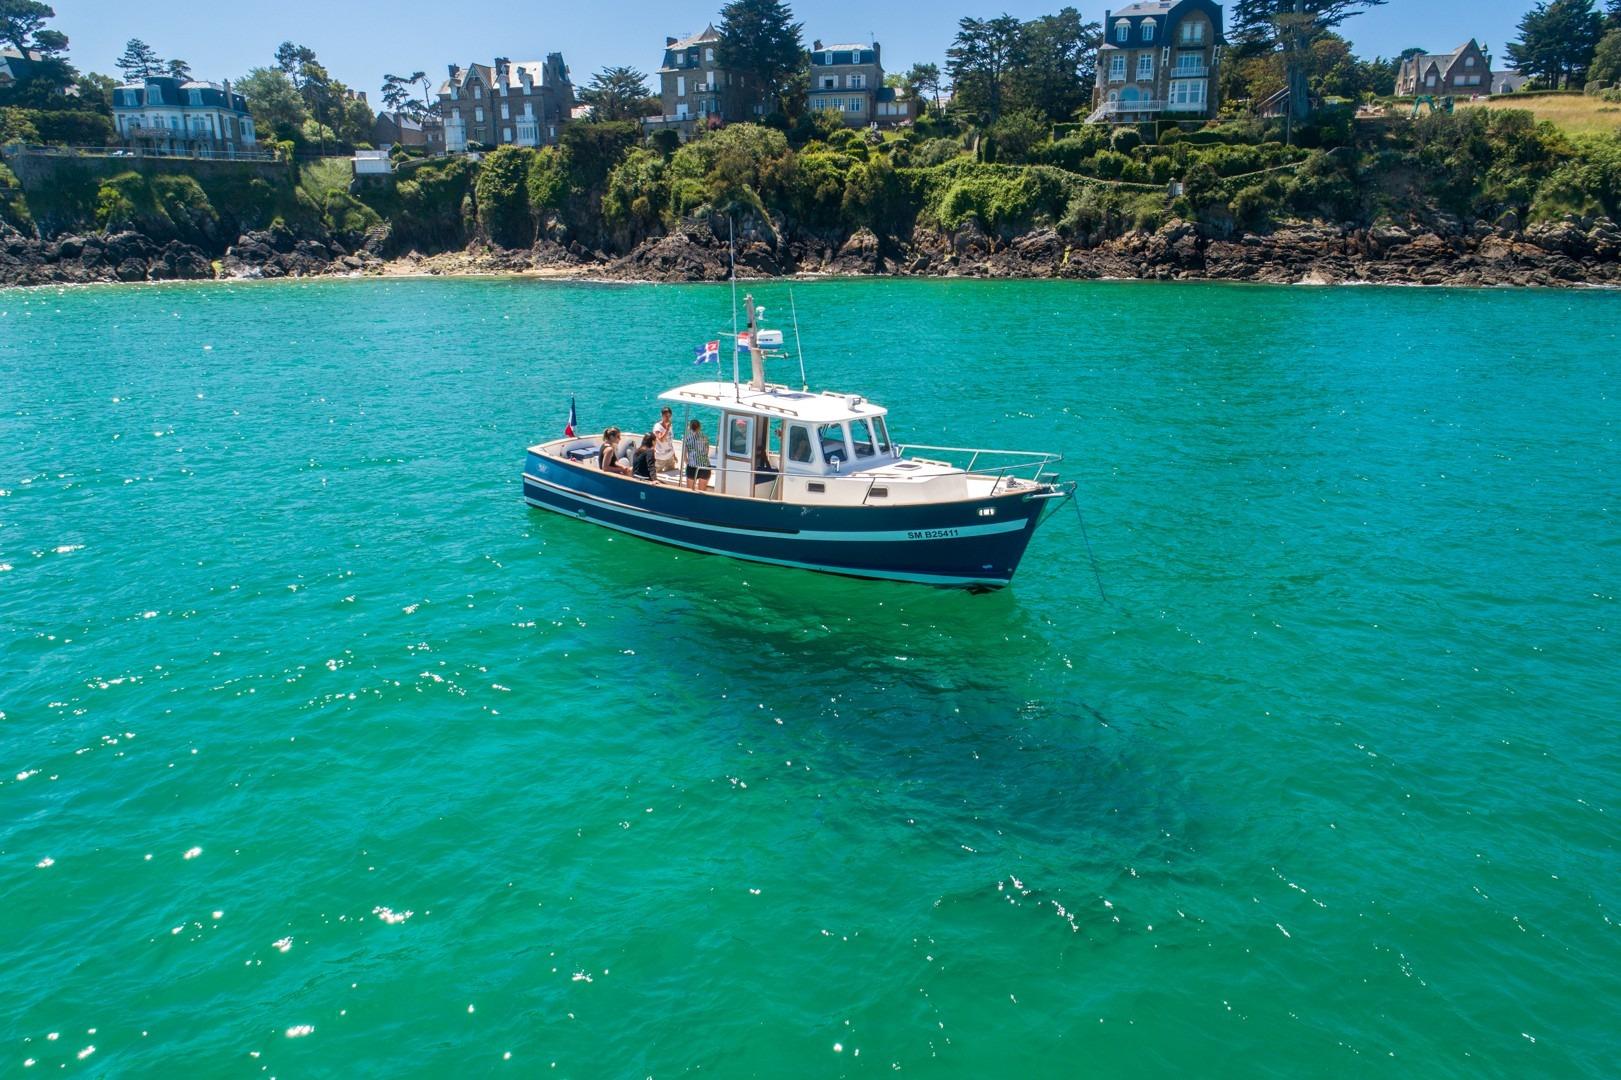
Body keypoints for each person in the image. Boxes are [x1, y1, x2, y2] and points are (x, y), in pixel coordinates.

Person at [683, 418, 712, 492]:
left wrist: (688, 463)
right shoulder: (705, 437)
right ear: (699, 427)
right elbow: (707, 452)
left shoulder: (687, 438)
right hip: (705, 466)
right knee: (702, 492)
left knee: (690, 491)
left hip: (692, 466)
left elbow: (684, 456)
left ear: (689, 427)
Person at [653, 408, 678, 476]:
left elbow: (670, 442)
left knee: (671, 475)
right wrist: (667, 429)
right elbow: (661, 439)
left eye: (669, 416)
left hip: (670, 457)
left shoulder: (670, 426)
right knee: (657, 475)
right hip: (660, 458)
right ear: (662, 415)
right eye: (666, 416)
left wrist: (674, 455)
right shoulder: (657, 427)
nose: (668, 418)